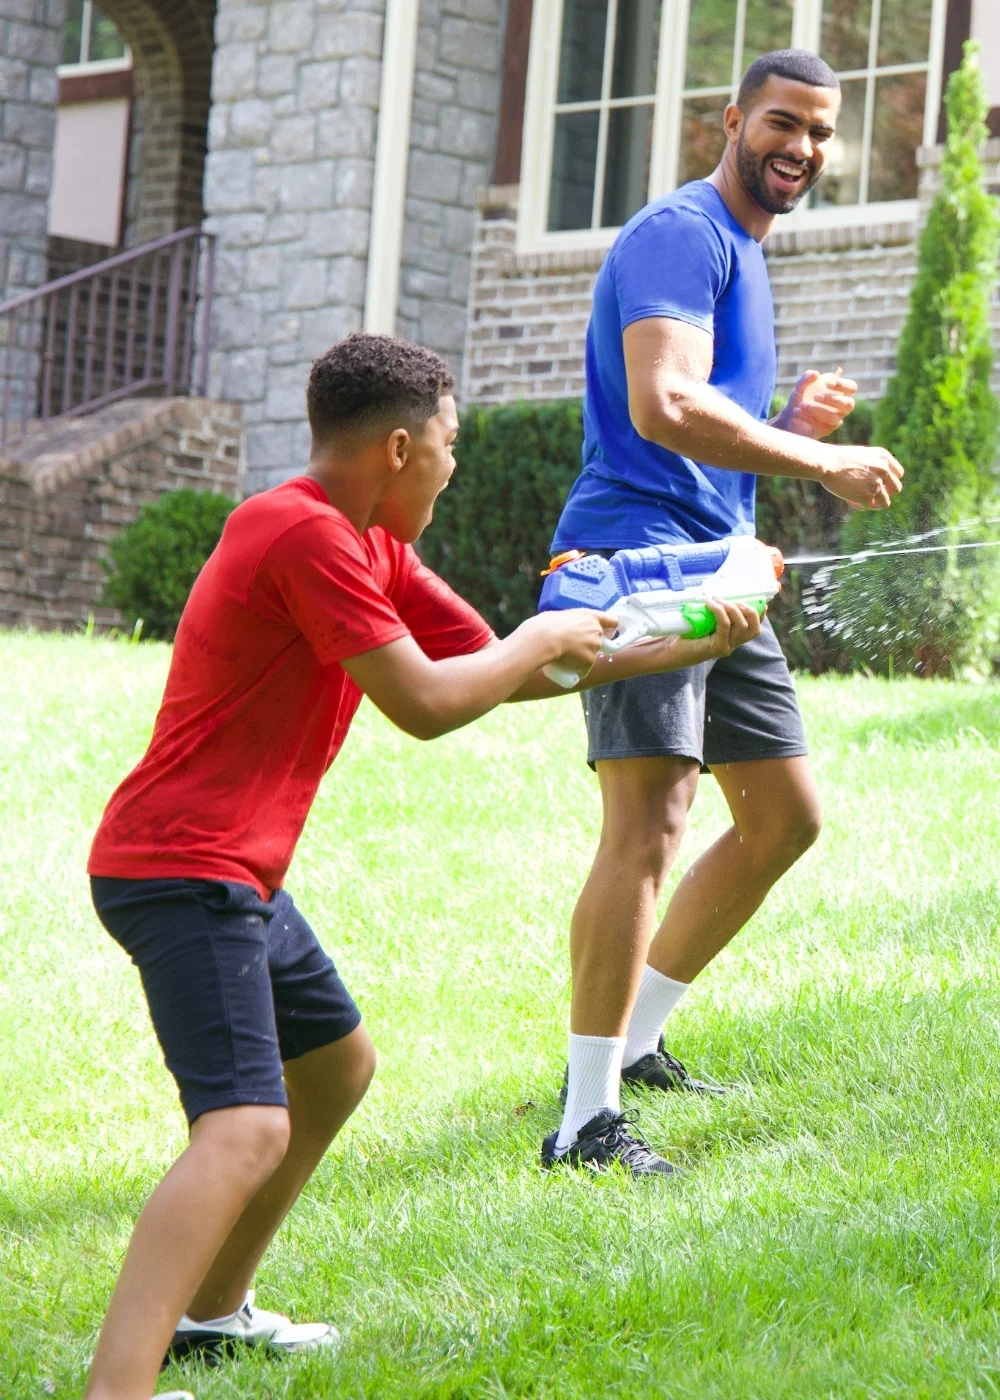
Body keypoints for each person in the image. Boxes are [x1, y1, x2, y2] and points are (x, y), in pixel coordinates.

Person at [83, 332, 761, 1400]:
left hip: (237, 872)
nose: (455, 466)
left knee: (334, 1066)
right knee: (246, 1124)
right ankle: (114, 1389)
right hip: (181, 868)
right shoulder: (297, 533)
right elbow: (431, 704)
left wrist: (691, 638)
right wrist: (539, 643)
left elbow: (504, 661)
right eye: (448, 447)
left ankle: (212, 1312)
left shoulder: (368, 547)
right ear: (399, 448)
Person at [543, 49, 905, 1177]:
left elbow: (710, 418)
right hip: (642, 563)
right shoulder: (680, 232)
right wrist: (818, 451)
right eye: (782, 123)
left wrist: (784, 413)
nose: (800, 146)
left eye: (819, 132)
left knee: (781, 817)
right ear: (733, 119)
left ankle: (636, 1045)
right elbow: (662, 407)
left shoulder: (743, 254)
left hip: (719, 563)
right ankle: (582, 1120)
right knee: (649, 823)